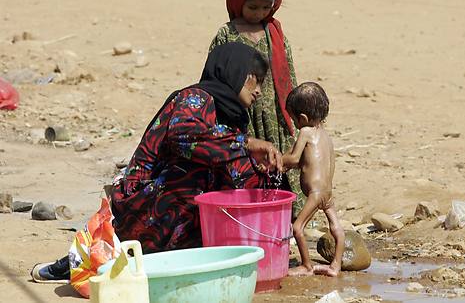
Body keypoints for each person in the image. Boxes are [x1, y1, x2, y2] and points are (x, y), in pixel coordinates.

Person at [32, 42, 283, 283]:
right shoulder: (196, 98)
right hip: (145, 199)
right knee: (192, 179)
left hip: (173, 209)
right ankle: (86, 262)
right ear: (235, 71)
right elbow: (186, 138)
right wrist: (247, 144)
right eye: (255, 79)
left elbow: (227, 155)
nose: (259, 90)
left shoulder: (231, 115)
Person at [209, 0, 304, 215]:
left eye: (265, 8)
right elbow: (216, 72)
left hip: (272, 108)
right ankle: (249, 208)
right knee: (248, 155)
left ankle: (287, 209)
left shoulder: (274, 34)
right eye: (252, 7)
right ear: (238, 1)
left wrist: (293, 106)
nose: (258, 13)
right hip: (239, 109)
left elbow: (288, 73)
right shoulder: (226, 34)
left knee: (277, 157)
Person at [282, 82, 345, 277]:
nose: (295, 124)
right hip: (327, 191)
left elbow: (293, 159)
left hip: (315, 193)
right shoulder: (326, 136)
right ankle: (336, 265)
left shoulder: (305, 132)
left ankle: (306, 265)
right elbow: (318, 164)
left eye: (294, 121)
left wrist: (278, 158)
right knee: (336, 226)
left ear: (302, 118)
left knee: (297, 227)